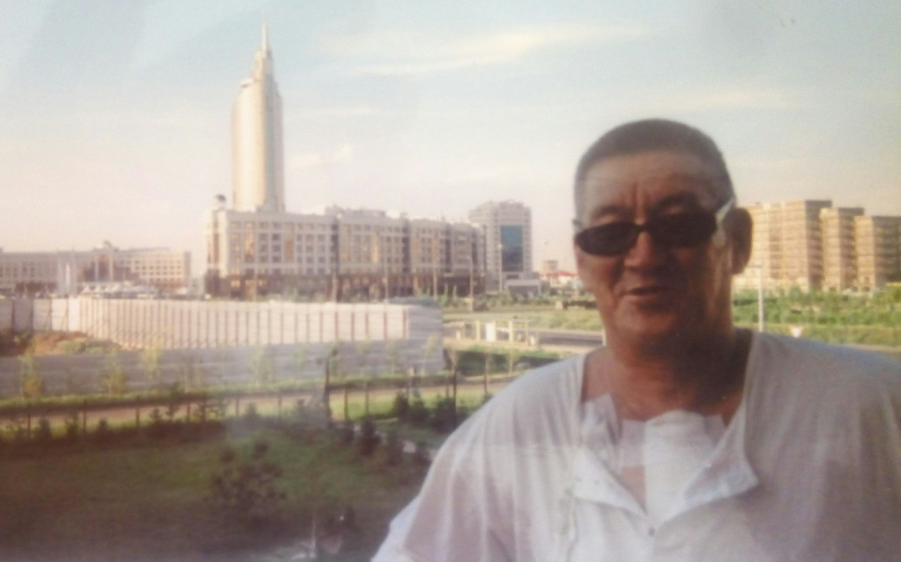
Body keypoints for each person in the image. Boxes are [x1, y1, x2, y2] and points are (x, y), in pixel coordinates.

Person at [373, 119, 901, 561]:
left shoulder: (865, 411)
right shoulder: (522, 427)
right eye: (611, 234)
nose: (644, 256)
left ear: (737, 241)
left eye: (679, 224)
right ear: (583, 261)